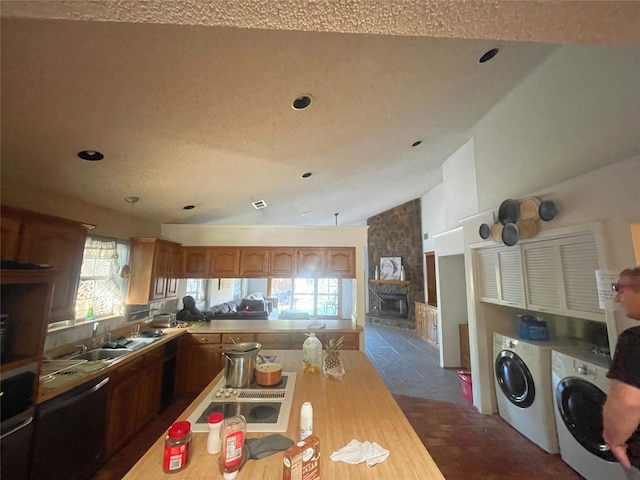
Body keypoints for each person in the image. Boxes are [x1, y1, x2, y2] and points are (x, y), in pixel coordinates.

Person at [603, 267, 640, 479]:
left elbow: (627, 403)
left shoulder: (634, 341)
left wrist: (614, 441)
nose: (618, 299)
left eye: (619, 289)